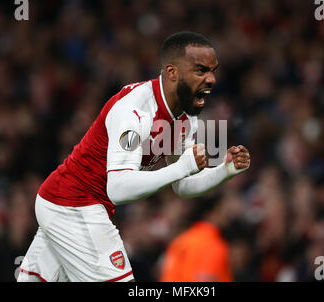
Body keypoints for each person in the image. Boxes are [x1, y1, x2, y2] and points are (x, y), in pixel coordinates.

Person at [18, 31, 251, 282]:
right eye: (201, 71)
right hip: (73, 204)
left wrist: (224, 171)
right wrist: (182, 167)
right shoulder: (135, 110)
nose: (211, 79)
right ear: (172, 72)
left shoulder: (186, 118)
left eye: (213, 71)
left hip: (70, 204)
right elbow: (118, 188)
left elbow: (182, 186)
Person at [159, 192, 241, 282]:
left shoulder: (181, 239)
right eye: (224, 211)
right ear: (210, 212)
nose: (228, 216)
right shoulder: (213, 244)